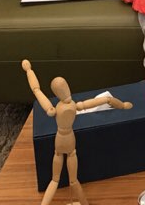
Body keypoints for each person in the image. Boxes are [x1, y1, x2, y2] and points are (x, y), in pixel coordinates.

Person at [22, 59, 132, 205]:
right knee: (73, 180)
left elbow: (37, 91)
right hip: (70, 142)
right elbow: (105, 100)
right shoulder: (75, 106)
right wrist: (122, 105)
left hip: (59, 142)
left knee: (55, 179)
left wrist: (29, 71)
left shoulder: (53, 109)